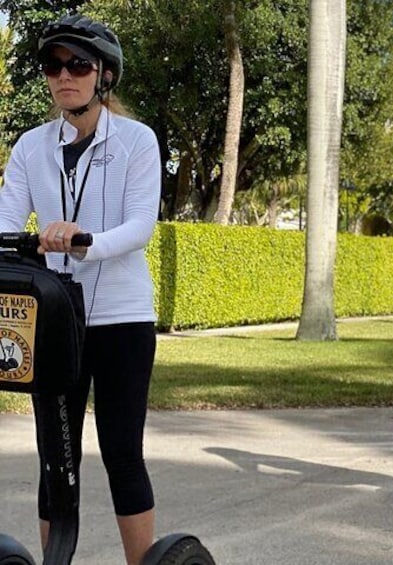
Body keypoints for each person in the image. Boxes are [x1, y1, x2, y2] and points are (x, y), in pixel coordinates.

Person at [0, 15, 160, 564]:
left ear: (104, 75)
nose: (64, 75)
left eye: (78, 65)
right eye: (53, 65)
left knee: (121, 452)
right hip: (54, 321)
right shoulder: (31, 146)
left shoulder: (138, 141)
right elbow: (5, 220)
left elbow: (141, 226)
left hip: (122, 318)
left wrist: (80, 240)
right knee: (55, 459)